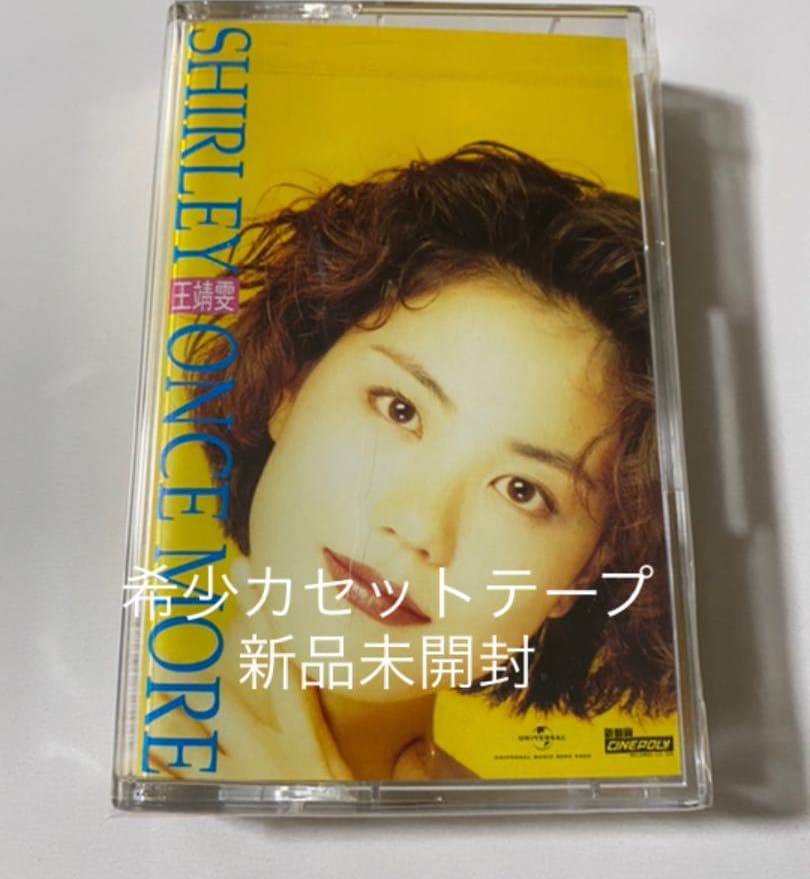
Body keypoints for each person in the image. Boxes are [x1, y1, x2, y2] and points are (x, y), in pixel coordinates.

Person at [168, 142, 675, 781]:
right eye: (400, 409)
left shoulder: (523, 838)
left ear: (583, 574)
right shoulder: (69, 725)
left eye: (522, 490)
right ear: (289, 387)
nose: (418, 525)